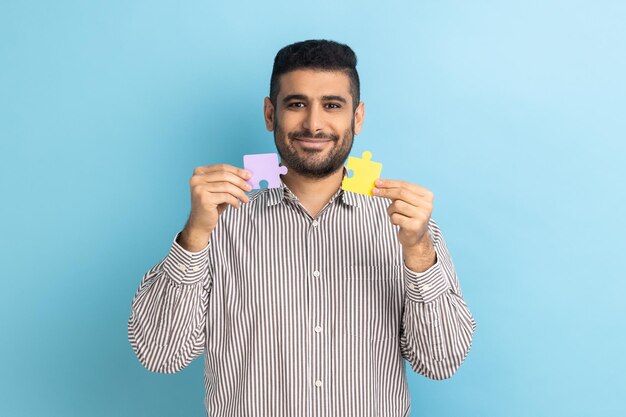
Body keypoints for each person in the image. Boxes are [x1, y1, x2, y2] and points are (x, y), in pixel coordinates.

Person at [128, 39, 476, 417]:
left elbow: (441, 363)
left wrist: (419, 252)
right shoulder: (218, 224)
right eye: (296, 104)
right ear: (269, 113)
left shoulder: (407, 228)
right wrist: (194, 235)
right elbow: (161, 355)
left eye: (332, 105)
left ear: (356, 117)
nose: (313, 123)